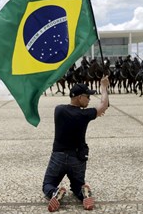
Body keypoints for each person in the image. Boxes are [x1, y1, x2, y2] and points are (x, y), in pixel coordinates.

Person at [43, 76, 110, 212]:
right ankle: (83, 193)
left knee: (47, 184)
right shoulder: (85, 114)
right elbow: (104, 105)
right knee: (77, 184)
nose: (89, 99)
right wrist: (104, 87)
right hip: (77, 158)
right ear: (79, 97)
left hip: (58, 157)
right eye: (87, 96)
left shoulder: (59, 110)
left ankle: (54, 193)